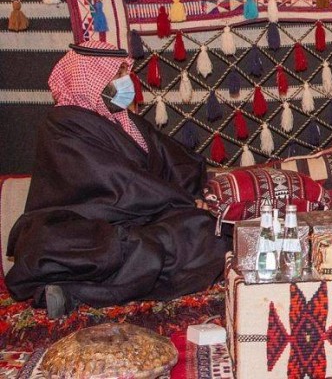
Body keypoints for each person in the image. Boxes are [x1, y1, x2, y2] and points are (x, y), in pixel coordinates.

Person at [5, 40, 229, 318]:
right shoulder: (62, 124)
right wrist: (180, 200)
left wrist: (194, 196)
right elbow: (116, 181)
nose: (125, 82)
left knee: (206, 231)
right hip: (81, 225)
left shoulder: (129, 123)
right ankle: (72, 292)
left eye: (125, 73)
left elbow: (176, 160)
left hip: (142, 218)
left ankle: (72, 291)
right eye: (116, 74)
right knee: (75, 248)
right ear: (89, 80)